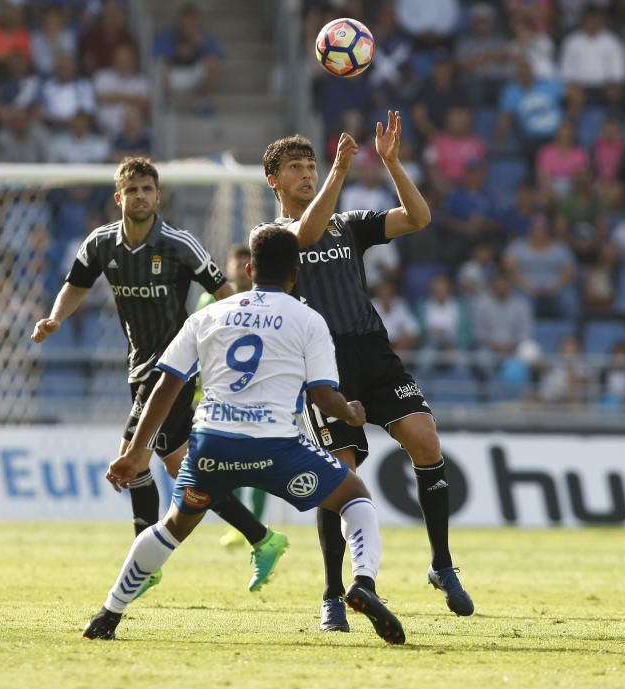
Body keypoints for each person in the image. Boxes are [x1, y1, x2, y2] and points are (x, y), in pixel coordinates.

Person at [82, 226, 405, 645]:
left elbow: (165, 386)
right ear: (295, 275)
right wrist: (351, 411)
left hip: (211, 446)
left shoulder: (207, 316)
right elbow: (323, 394)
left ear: (249, 269)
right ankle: (362, 583)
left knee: (173, 526)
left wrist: (138, 453)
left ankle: (108, 614)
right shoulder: (308, 320)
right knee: (354, 496)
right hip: (278, 449)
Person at [258, 114, 474, 635]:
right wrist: (338, 170)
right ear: (274, 181)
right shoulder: (273, 234)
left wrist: (394, 163)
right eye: (295, 168)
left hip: (373, 353)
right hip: (323, 363)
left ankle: (441, 565)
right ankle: (333, 595)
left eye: (311, 165)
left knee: (425, 440)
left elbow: (417, 218)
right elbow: (306, 234)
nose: (306, 174)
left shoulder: (349, 223)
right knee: (341, 474)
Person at [31, 157, 285, 596]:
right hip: (139, 366)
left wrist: (238, 341)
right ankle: (263, 537)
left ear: (158, 195)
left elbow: (223, 293)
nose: (142, 197)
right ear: (119, 198)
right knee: (182, 468)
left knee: (132, 460)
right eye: (133, 191)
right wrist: (55, 319)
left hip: (173, 368)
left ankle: (143, 564)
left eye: (148, 189)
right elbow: (76, 284)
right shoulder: (100, 244)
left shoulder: (178, 244)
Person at [195, 243, 268, 547]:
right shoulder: (208, 299)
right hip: (220, 391)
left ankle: (256, 523)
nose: (240, 268)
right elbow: (198, 341)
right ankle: (241, 525)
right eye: (236, 262)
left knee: (262, 462)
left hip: (260, 389)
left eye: (246, 262)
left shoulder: (265, 299)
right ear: (227, 268)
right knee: (228, 460)